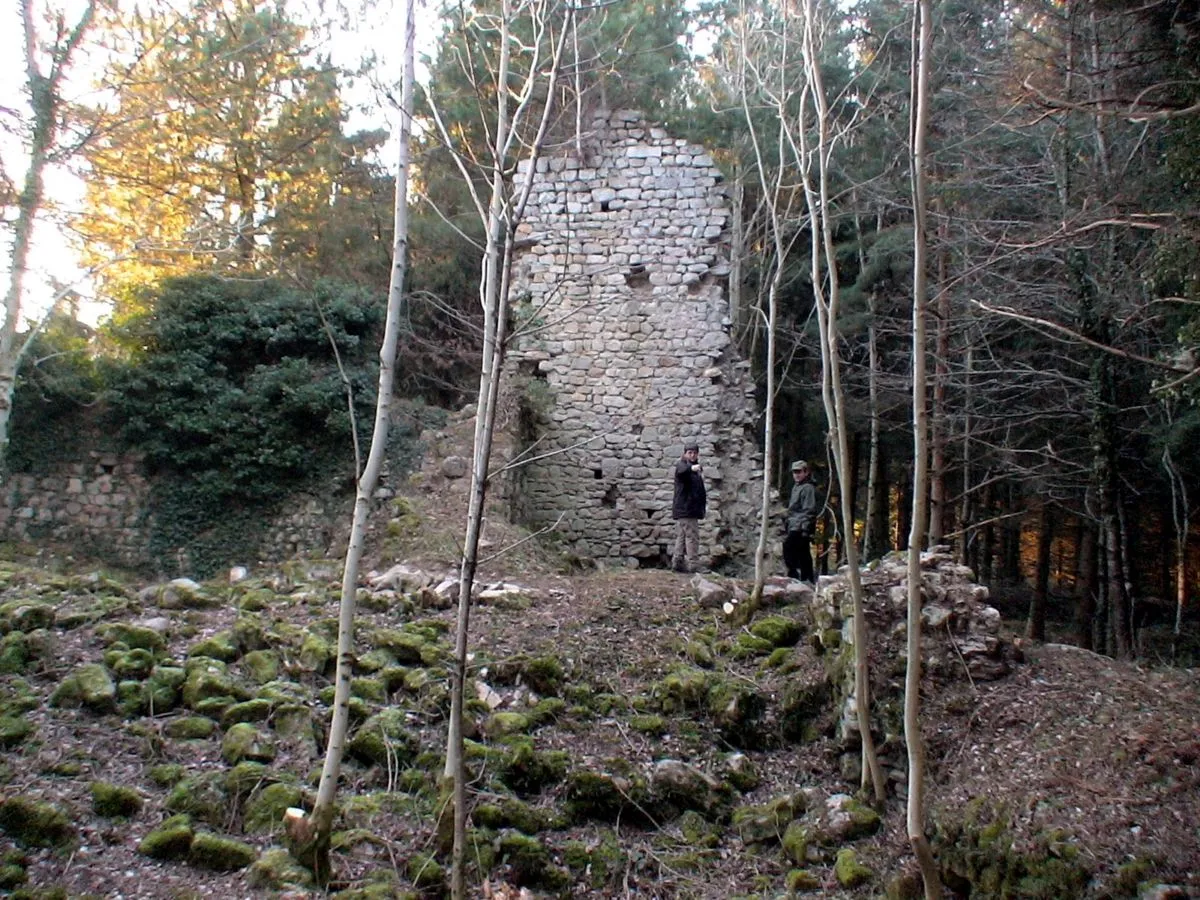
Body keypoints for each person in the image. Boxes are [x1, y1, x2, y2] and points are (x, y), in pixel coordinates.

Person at [671, 440, 707, 573]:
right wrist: (692, 468)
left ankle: (678, 562)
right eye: (689, 453)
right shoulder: (682, 465)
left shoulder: (693, 469)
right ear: (685, 454)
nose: (692, 455)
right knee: (692, 536)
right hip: (686, 509)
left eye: (694, 453)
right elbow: (681, 471)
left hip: (689, 508)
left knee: (682, 535)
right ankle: (694, 564)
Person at [783, 459, 816, 583]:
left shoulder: (807, 488)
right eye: (794, 472)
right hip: (794, 524)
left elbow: (809, 510)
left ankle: (798, 576)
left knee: (789, 548)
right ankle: (807, 578)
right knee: (803, 553)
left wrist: (805, 529)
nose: (796, 475)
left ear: (806, 472)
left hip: (800, 527)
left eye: (799, 472)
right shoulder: (796, 487)